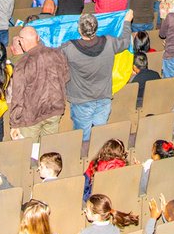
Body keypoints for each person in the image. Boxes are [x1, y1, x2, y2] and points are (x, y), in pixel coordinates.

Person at [59, 12, 133, 141]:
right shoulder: (110, 42)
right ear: (96, 28)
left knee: (83, 138)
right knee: (100, 136)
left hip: (81, 100)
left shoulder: (68, 49)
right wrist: (126, 21)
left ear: (79, 29)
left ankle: (84, 158)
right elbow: (126, 41)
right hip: (103, 97)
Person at [7, 27, 70, 139]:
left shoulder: (22, 64)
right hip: (54, 110)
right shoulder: (57, 53)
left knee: (31, 152)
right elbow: (66, 77)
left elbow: (17, 97)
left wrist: (14, 123)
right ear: (38, 38)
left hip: (31, 116)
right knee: (49, 151)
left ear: (21, 41)